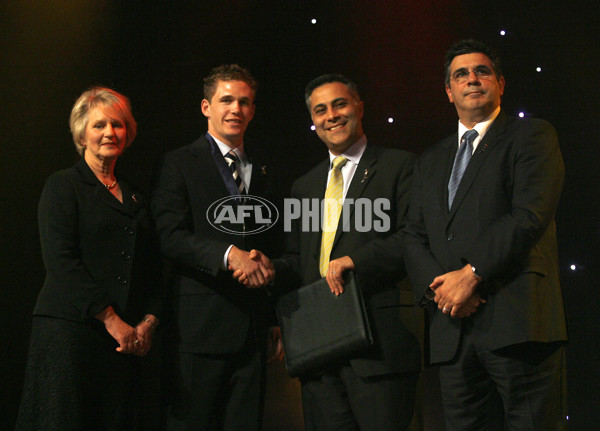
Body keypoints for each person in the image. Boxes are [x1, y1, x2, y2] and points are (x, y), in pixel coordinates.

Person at [401, 39, 567, 430]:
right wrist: (442, 290)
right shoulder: (429, 161)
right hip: (453, 330)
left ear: (501, 83)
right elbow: (412, 234)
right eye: (461, 74)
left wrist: (471, 275)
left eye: (482, 71)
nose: (472, 79)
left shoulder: (532, 136)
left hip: (518, 322)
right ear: (449, 91)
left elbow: (528, 215)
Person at [242, 74, 421, 430]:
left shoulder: (400, 166)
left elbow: (413, 238)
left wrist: (356, 261)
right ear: (313, 121)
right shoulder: (304, 186)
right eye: (320, 110)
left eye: (340, 104)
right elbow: (297, 258)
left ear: (359, 107)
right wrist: (272, 268)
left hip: (378, 348)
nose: (332, 116)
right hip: (319, 352)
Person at [15, 87, 162, 430]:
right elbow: (61, 262)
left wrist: (148, 323)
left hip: (124, 341)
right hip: (71, 332)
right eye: (99, 125)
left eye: (118, 124)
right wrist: (112, 322)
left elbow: (152, 266)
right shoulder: (63, 185)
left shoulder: (137, 195)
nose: (110, 132)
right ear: (82, 134)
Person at [151, 64, 280, 431]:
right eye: (226, 100)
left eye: (244, 102)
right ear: (206, 107)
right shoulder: (177, 163)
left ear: (253, 110)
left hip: (253, 331)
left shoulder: (266, 169)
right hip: (198, 332)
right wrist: (227, 255)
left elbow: (272, 243)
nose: (235, 109)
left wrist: (272, 318)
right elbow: (169, 236)